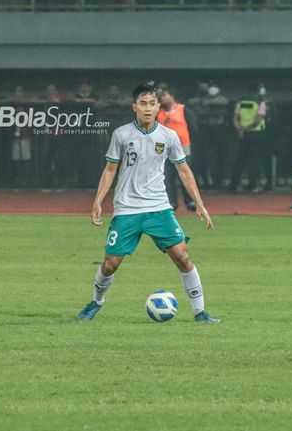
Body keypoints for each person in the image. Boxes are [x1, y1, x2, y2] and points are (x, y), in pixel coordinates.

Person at [78, 81, 220, 323]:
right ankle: (96, 302)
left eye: (152, 104)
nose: (148, 108)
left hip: (158, 208)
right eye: (143, 103)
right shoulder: (121, 134)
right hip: (127, 209)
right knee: (110, 264)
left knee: (183, 258)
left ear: (158, 107)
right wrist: (98, 201)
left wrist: (200, 205)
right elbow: (111, 169)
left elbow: (184, 170)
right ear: (134, 107)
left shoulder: (169, 136)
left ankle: (200, 312)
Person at [157, 87, 197, 211]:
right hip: (164, 149)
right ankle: (171, 202)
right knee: (167, 176)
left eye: (164, 95)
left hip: (182, 147)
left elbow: (193, 128)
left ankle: (190, 201)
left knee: (185, 175)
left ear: (172, 95)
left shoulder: (183, 110)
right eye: (160, 96)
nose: (162, 98)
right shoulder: (158, 112)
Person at [228, 85, 267, 194]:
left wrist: (240, 128)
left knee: (239, 160)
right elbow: (258, 120)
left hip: (242, 134)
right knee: (254, 160)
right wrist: (246, 128)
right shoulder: (260, 102)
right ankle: (252, 186)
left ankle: (233, 186)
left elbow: (235, 117)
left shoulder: (240, 102)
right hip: (256, 133)